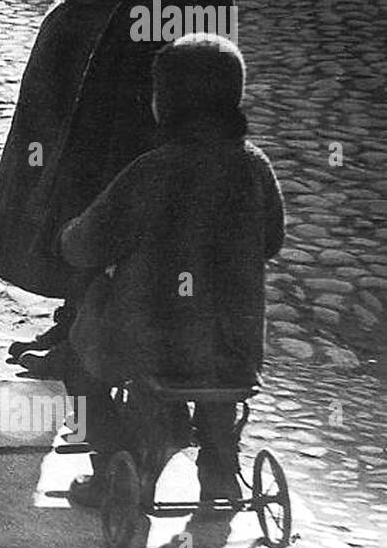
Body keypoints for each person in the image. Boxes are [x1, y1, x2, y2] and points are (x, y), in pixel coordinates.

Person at [28, 0, 235, 379]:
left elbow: (182, 78)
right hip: (113, 130)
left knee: (109, 245)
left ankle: (81, 354)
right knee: (86, 232)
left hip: (137, 142)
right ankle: (72, 325)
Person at [60, 35, 284, 508]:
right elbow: (272, 241)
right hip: (233, 345)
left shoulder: (153, 169)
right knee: (216, 378)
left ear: (167, 103)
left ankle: (114, 462)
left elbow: (87, 244)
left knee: (79, 358)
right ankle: (220, 468)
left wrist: (68, 234)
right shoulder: (254, 167)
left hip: (151, 341)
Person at [0, 0, 138, 365]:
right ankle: (71, 320)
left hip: (75, 156)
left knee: (76, 234)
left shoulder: (102, 18)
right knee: (56, 233)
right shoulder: (80, 9)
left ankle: (79, 339)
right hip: (48, 148)